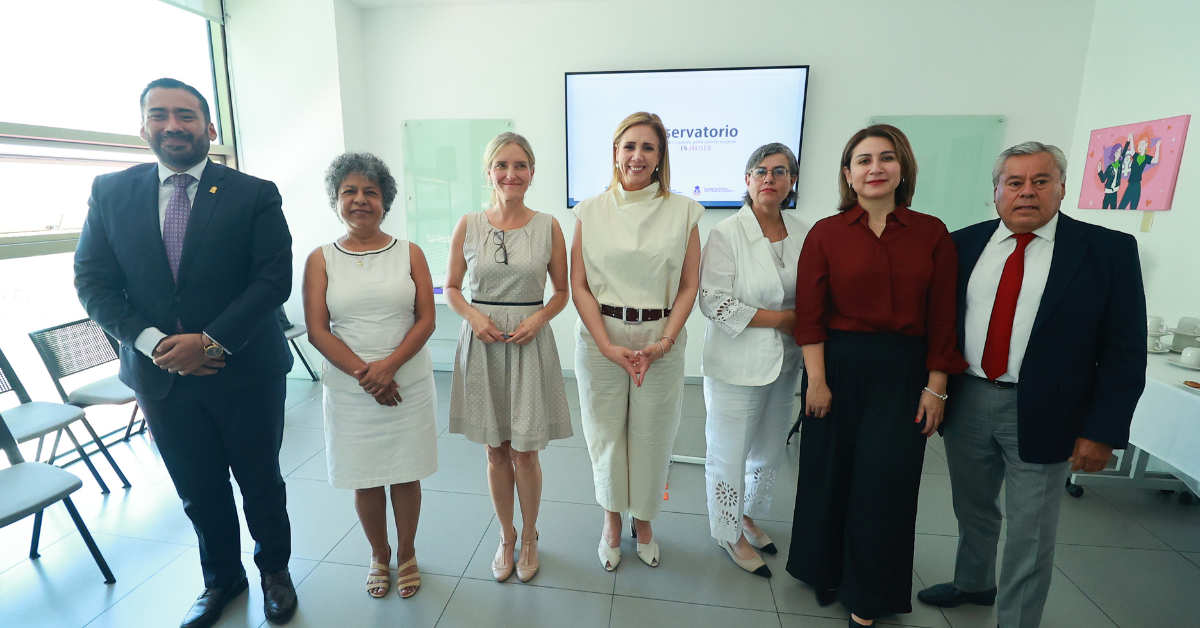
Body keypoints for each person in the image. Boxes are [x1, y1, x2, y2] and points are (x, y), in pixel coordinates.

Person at [74, 78, 297, 628]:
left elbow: (271, 281)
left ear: (209, 128)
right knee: (197, 488)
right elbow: (93, 282)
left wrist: (210, 341)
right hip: (162, 377)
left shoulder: (254, 193)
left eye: (186, 115)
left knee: (261, 482)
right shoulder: (110, 192)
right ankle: (221, 578)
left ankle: (274, 571)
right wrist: (154, 344)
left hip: (246, 370)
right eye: (159, 115)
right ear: (143, 127)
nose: (172, 125)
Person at [917, 142, 1146, 628]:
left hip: (1047, 409)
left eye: (1041, 181)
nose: (1027, 192)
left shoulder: (1107, 251)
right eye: (1015, 182)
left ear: (1062, 188)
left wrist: (1102, 430)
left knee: (1031, 528)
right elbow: (938, 323)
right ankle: (973, 581)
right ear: (996, 192)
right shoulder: (961, 245)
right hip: (968, 398)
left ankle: (1017, 621)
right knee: (972, 507)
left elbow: (1125, 352)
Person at [785, 124, 966, 627]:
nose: (875, 168)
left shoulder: (932, 233)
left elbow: (943, 316)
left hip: (904, 371)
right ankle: (824, 569)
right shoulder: (826, 233)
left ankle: (868, 595)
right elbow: (810, 315)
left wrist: (936, 387)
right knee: (828, 475)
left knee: (886, 483)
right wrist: (817, 381)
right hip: (836, 366)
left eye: (886, 157)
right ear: (848, 174)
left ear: (902, 168)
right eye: (863, 160)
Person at [571, 111, 703, 571]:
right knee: (605, 433)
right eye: (629, 146)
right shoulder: (589, 210)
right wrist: (607, 345)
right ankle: (611, 519)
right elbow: (579, 285)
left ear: (661, 156)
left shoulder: (684, 211)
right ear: (615, 152)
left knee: (652, 436)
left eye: (649, 147)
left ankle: (643, 520)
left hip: (659, 339)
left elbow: (689, 285)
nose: (637, 156)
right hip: (601, 337)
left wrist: (664, 343)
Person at [302, 153, 437, 600]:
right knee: (365, 477)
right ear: (336, 200)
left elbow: (426, 319)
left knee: (406, 473)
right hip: (350, 389)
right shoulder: (320, 259)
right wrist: (368, 374)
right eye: (350, 192)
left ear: (385, 202)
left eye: (370, 192)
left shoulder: (410, 253)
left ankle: (408, 552)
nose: (360, 200)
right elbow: (318, 330)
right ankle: (380, 554)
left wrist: (389, 367)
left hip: (407, 384)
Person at [445, 132, 572, 583]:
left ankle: (531, 536)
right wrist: (473, 317)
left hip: (527, 344)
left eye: (520, 165)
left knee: (525, 453)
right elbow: (452, 287)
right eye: (501, 165)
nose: (510, 174)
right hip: (482, 344)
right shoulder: (468, 224)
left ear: (532, 173)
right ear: (489, 172)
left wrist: (538, 319)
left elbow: (562, 292)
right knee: (495, 450)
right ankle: (506, 534)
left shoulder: (549, 226)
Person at [698, 143, 809, 578]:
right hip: (736, 363)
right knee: (729, 452)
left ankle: (745, 515)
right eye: (760, 171)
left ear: (792, 181)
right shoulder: (726, 232)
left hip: (787, 360)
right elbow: (714, 301)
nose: (769, 179)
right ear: (747, 180)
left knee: (768, 446)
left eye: (780, 172)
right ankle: (727, 532)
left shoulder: (804, 231)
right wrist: (782, 320)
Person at [1117, 131, 1160, 209]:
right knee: (1122, 206)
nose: (1140, 146)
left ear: (1146, 145)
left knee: (1134, 207)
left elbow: (1156, 160)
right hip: (1130, 184)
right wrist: (1131, 138)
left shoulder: (1147, 158)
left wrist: (1158, 147)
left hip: (1137, 185)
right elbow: (1132, 150)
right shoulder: (1136, 155)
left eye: (1142, 144)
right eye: (1139, 144)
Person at [1096, 139, 1127, 209]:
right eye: (1117, 152)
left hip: (1115, 191)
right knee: (1104, 208)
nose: (1118, 154)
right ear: (1113, 153)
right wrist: (1099, 171)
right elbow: (1103, 180)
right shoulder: (1110, 167)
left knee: (1113, 209)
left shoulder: (1119, 165)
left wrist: (1128, 141)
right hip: (1108, 192)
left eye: (1120, 152)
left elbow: (1124, 153)